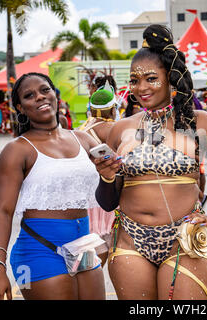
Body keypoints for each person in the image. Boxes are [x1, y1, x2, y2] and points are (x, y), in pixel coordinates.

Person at [93, 24, 207, 300]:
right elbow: (108, 201)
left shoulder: (199, 123)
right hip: (130, 241)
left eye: (150, 78)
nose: (141, 87)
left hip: (184, 241)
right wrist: (107, 177)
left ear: (170, 78)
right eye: (134, 80)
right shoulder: (120, 129)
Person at [0, 72, 106, 300]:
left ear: (55, 95)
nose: (40, 97)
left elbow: (110, 192)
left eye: (44, 90)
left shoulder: (84, 140)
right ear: (20, 108)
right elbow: (3, 212)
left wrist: (111, 174)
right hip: (37, 251)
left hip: (83, 246)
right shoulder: (16, 150)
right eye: (30, 95)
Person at [79, 78, 119, 266]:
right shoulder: (113, 128)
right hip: (105, 190)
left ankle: (86, 282)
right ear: (112, 109)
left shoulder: (82, 128)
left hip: (87, 193)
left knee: (91, 240)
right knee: (104, 240)